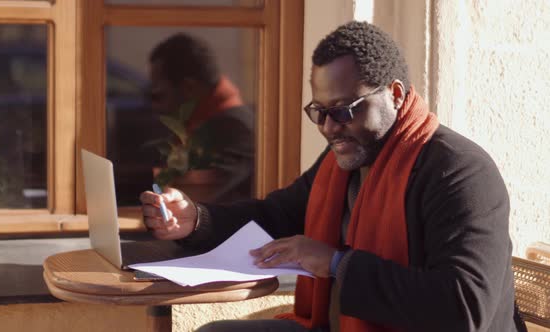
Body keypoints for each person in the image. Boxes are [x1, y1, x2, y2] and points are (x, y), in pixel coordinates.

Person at [140, 21, 526, 332]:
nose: (327, 127)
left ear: (393, 93)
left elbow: (464, 308)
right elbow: (278, 215)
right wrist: (197, 219)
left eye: (342, 110)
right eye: (318, 111)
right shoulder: (345, 157)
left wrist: (338, 264)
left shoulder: (459, 172)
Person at [147, 32, 254, 203]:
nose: (155, 107)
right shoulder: (208, 123)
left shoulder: (235, 130)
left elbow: (199, 200)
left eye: (158, 96)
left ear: (189, 88)